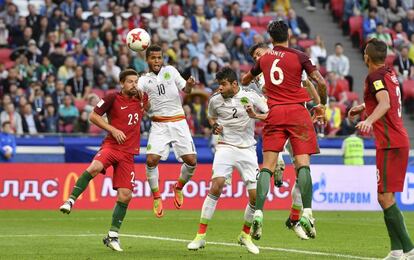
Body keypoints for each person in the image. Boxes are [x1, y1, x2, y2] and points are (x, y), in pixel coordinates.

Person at [241, 21, 327, 240]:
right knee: (303, 166)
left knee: (268, 167)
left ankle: (264, 213)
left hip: (276, 114)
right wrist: (322, 105)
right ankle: (307, 212)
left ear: (269, 40)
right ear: (288, 34)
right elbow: (320, 82)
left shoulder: (265, 61)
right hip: (297, 114)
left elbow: (244, 79)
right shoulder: (299, 56)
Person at [59, 69, 144, 252]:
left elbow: (151, 108)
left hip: (128, 153)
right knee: (95, 167)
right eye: (130, 82)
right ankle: (71, 200)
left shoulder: (141, 98)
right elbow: (93, 116)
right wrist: (113, 129)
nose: (134, 85)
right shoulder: (112, 97)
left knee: (125, 195)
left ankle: (112, 236)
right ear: (122, 83)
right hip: (112, 146)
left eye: (136, 81)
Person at [187, 67, 267, 254]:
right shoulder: (215, 100)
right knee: (217, 184)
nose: (220, 88)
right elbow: (210, 115)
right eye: (218, 84)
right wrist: (215, 125)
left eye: (223, 84)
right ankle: (200, 236)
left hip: (247, 149)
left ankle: (245, 235)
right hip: (225, 146)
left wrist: (255, 116)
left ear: (234, 84)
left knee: (256, 196)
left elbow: (270, 113)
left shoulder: (251, 96)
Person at [349, 38, 414, 260]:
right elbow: (386, 100)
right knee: (384, 197)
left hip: (390, 142)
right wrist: (363, 107)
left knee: (385, 198)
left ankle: (409, 249)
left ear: (367, 57)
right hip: (395, 141)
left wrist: (368, 121)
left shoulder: (374, 76)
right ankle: (397, 250)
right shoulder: (389, 73)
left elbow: (385, 103)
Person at [137, 45, 197, 218]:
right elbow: (145, 107)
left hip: (178, 121)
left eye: (159, 58)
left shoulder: (171, 70)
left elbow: (185, 89)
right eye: (153, 58)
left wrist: (190, 85)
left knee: (192, 161)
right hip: (159, 124)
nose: (157, 61)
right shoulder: (142, 81)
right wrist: (144, 103)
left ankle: (178, 187)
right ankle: (157, 197)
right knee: (151, 160)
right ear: (147, 60)